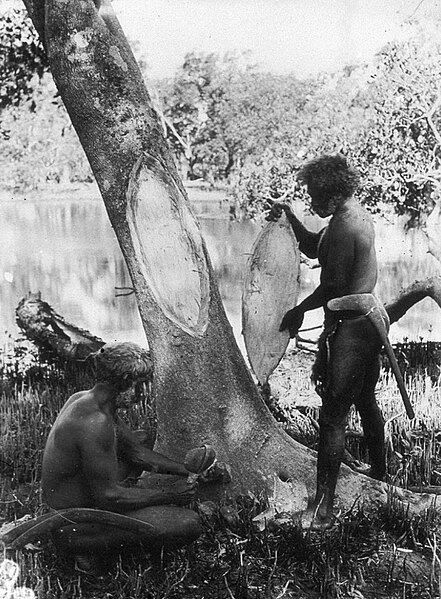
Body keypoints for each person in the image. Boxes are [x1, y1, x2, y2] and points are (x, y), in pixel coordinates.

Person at [268, 154, 386, 530]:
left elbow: (332, 287)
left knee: (333, 418)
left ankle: (322, 509)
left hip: (351, 330)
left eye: (316, 197)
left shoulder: (343, 228)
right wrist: (288, 215)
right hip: (368, 322)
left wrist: (298, 310)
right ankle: (380, 476)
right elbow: (312, 247)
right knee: (365, 400)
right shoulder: (351, 217)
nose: (312, 203)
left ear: (334, 194)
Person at [41, 341, 211, 566]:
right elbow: (110, 497)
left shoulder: (86, 399)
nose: (141, 394)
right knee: (188, 523)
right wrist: (173, 496)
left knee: (139, 437)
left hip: (78, 509)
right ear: (124, 383)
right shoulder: (95, 423)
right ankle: (90, 555)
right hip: (74, 524)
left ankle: (97, 543)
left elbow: (135, 451)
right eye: (139, 385)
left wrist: (187, 471)